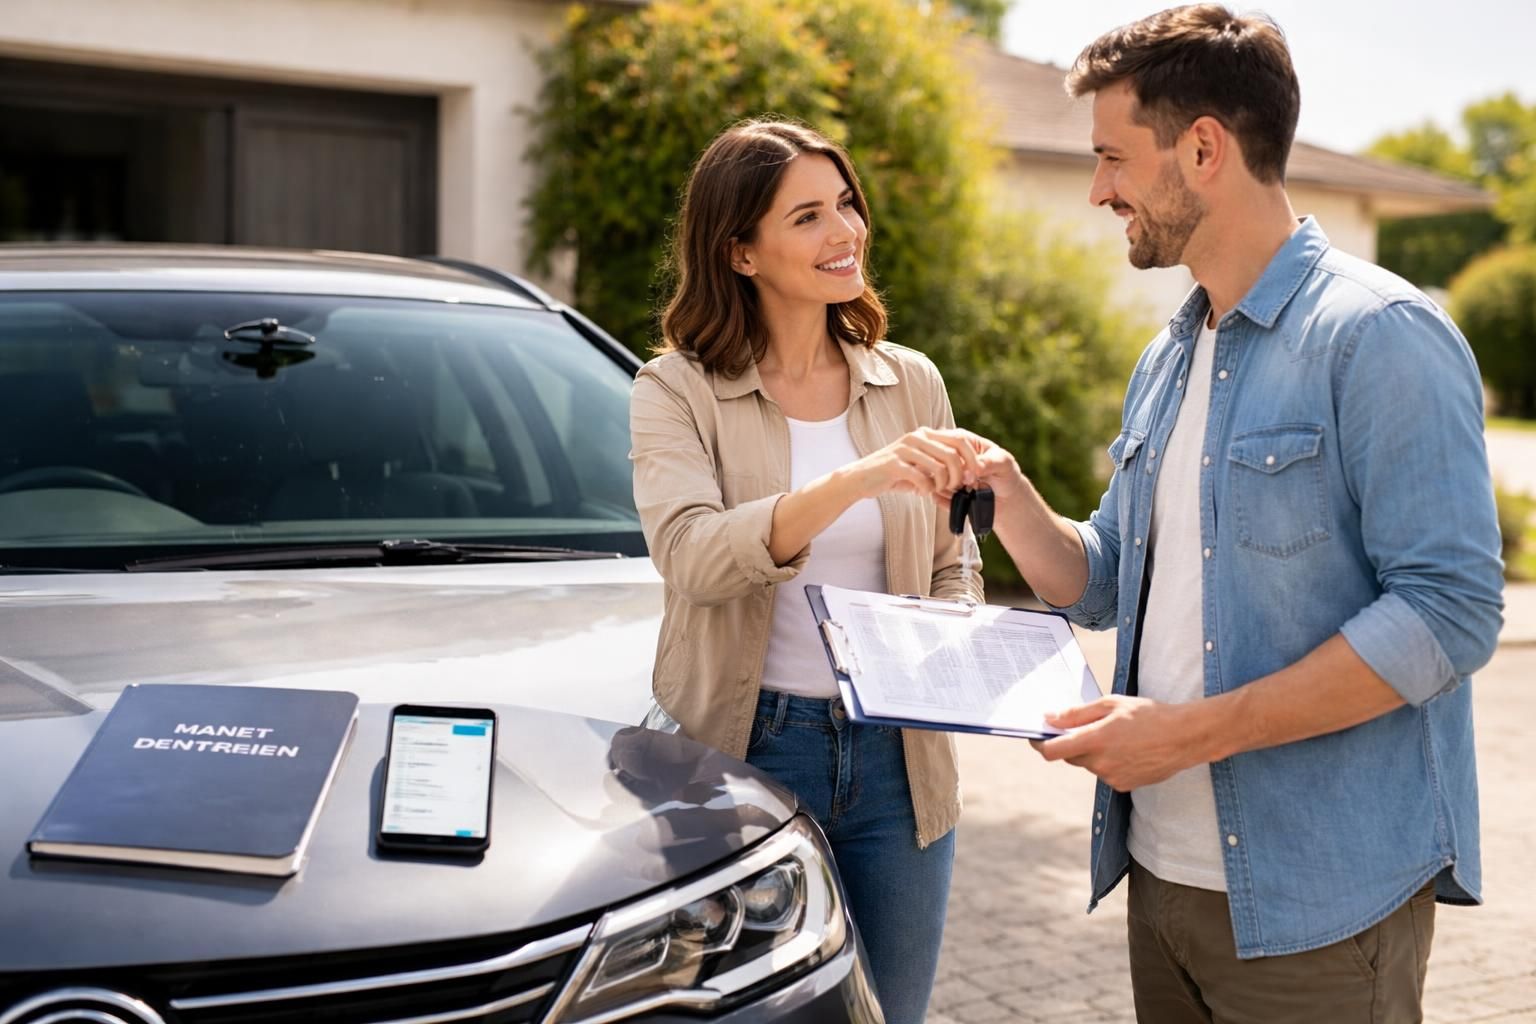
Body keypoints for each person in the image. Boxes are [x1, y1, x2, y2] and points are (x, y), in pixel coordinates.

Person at [925, 6, 1505, 1021]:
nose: (1100, 188)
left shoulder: (1381, 335)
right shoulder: (1172, 351)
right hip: (1164, 883)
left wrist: (1185, 735)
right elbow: (1105, 575)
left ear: (1203, 148)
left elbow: (1450, 613)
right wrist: (1013, 497)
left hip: (1320, 904)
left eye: (1112, 157)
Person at [628, 118, 984, 1024]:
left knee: (891, 1011)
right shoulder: (676, 391)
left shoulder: (911, 384)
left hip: (899, 756)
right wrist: (853, 480)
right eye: (810, 216)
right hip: (749, 752)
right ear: (741, 253)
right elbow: (694, 559)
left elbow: (955, 559)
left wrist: (951, 642)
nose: (846, 232)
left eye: (848, 206)